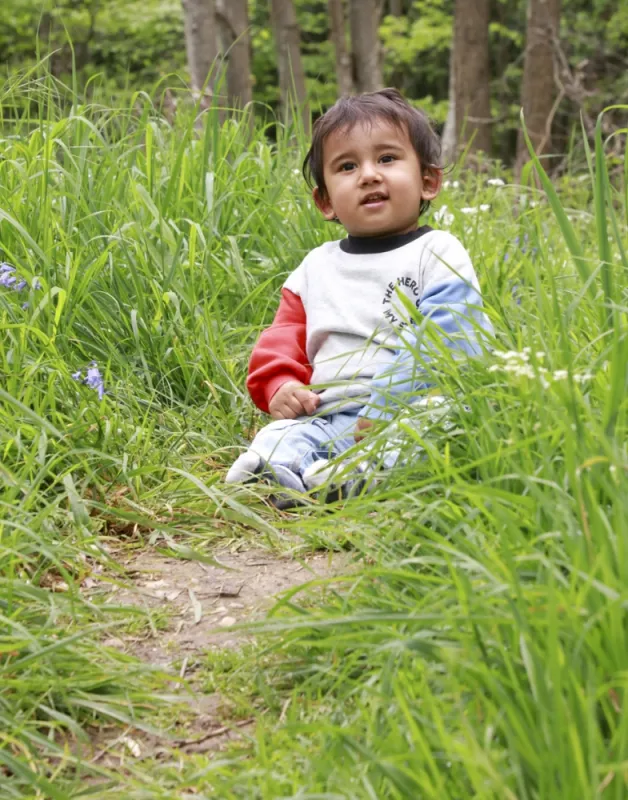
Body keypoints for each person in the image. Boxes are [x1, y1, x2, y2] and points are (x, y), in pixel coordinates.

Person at [226, 88, 492, 501]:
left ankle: (359, 476)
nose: (369, 174)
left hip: (410, 405)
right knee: (281, 434)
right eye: (347, 166)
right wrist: (280, 385)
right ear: (326, 200)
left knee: (436, 421)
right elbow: (283, 337)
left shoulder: (437, 251)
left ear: (428, 181)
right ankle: (275, 475)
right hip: (330, 410)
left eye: (387, 159)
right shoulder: (316, 267)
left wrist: (388, 406)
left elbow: (451, 337)